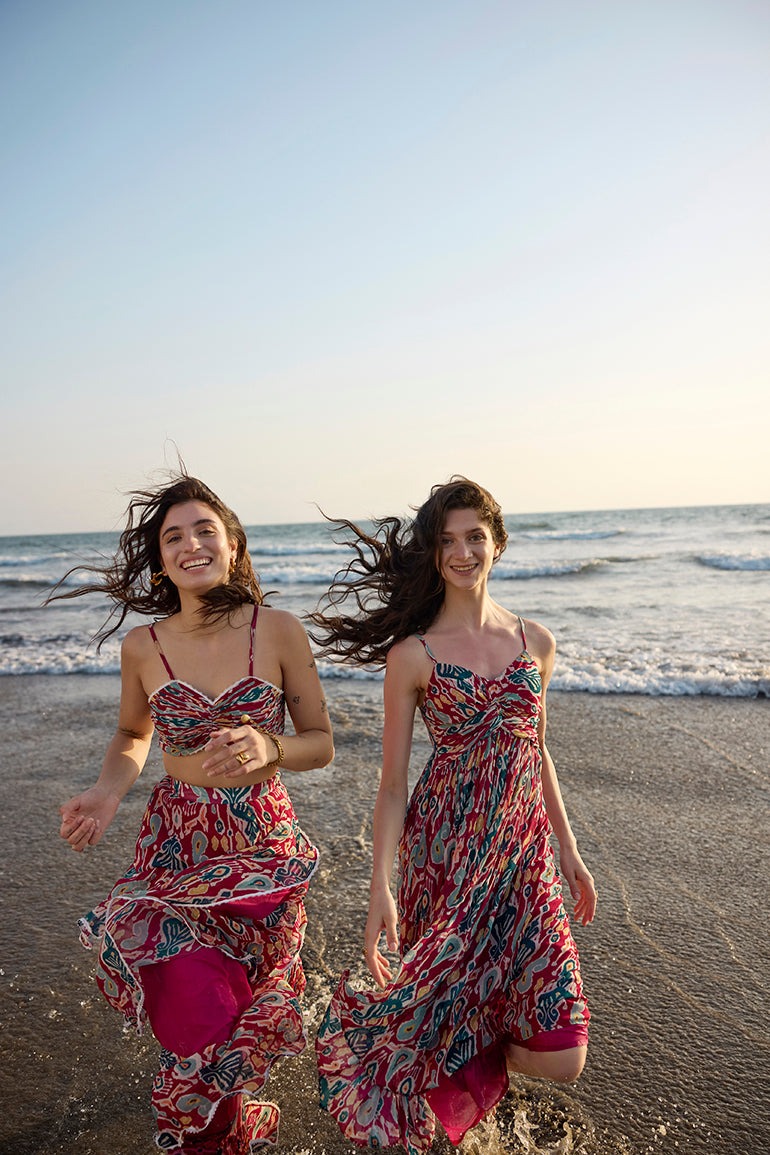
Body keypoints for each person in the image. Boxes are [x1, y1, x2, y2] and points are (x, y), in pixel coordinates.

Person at [309, 476, 596, 1154]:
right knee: (447, 1001)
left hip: (523, 858)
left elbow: (538, 750)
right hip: (446, 855)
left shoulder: (537, 641)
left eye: (475, 536)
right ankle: (437, 1052)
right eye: (447, 540)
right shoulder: (412, 654)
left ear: (497, 542)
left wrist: (570, 848)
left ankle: (450, 1057)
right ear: (433, 554)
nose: (463, 551)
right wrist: (379, 885)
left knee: (564, 1054)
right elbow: (390, 786)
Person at [53, 473, 334, 1154]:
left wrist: (269, 743)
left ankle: (229, 1119)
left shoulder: (280, 631)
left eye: (205, 529)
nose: (191, 544)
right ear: (161, 560)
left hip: (261, 847)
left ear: (233, 544)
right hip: (179, 844)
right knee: (196, 1009)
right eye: (173, 536)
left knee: (243, 998)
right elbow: (131, 736)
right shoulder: (143, 647)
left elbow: (321, 742)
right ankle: (214, 1136)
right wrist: (106, 791)